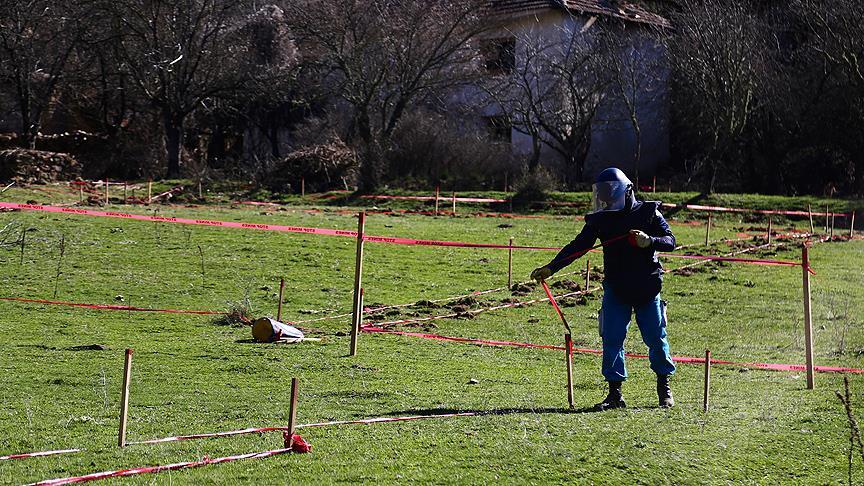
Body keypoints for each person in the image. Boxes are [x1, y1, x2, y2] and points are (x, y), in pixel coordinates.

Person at [531, 167, 676, 410]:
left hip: (647, 288)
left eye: (612, 192)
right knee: (611, 339)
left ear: (627, 191)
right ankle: (614, 395)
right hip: (616, 289)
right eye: (604, 194)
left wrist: (649, 241)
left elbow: (670, 241)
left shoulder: (650, 212)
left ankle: (664, 388)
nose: (607, 198)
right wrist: (551, 268)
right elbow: (578, 246)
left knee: (655, 338)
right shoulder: (600, 219)